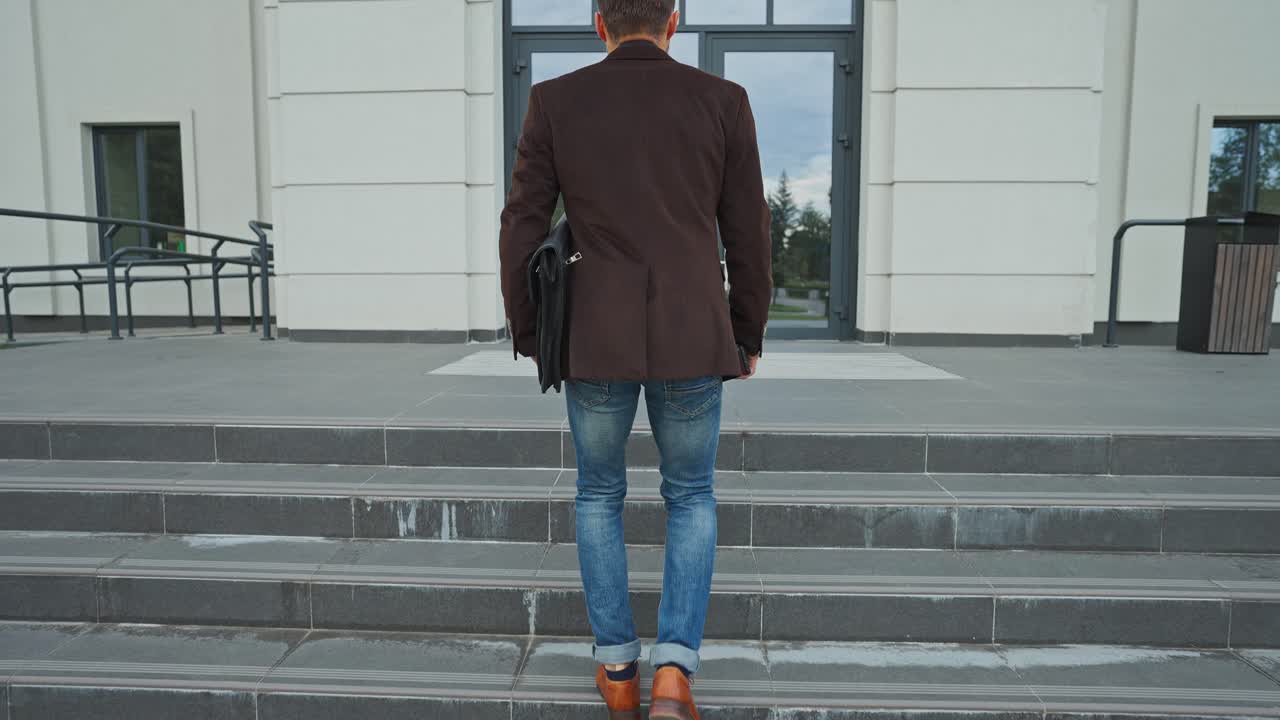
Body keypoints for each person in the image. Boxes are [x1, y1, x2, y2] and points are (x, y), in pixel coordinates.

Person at [498, 0, 771, 716]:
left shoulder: (556, 102)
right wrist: (746, 334)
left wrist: (530, 329)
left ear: (601, 25)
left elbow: (522, 223)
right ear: (673, 22)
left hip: (595, 337)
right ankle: (675, 672)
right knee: (692, 495)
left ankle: (617, 670)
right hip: (691, 331)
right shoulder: (723, 101)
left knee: (597, 493)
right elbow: (749, 231)